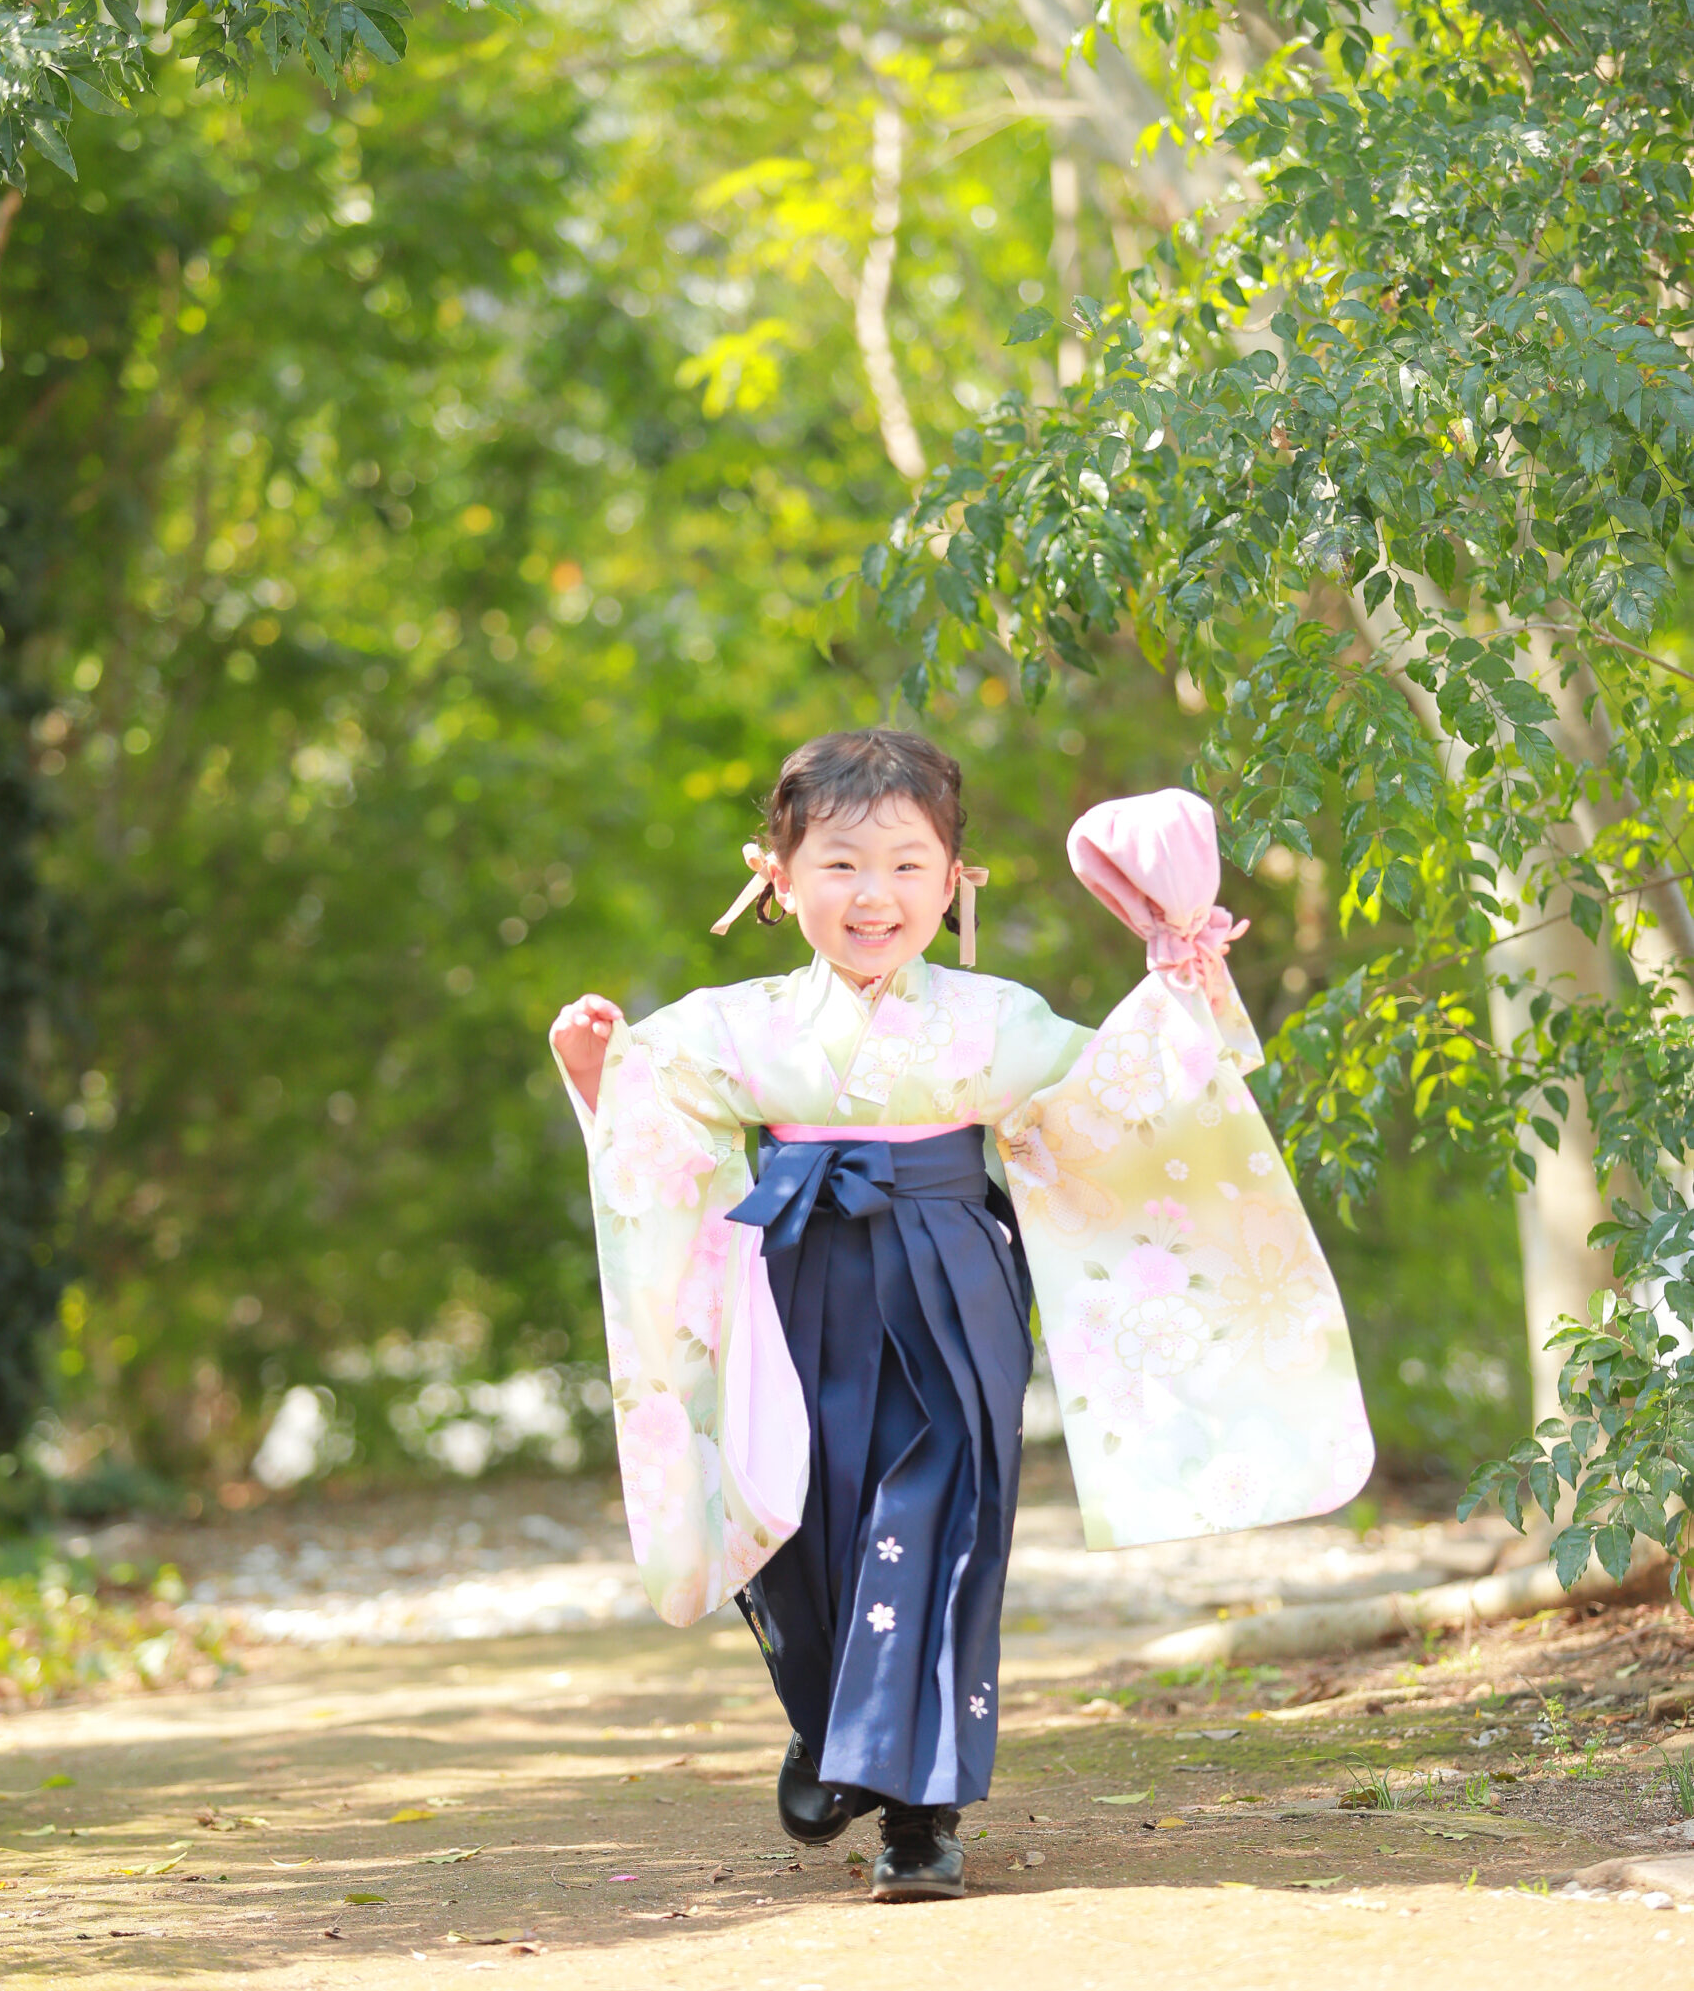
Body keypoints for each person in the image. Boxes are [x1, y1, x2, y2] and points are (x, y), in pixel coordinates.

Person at [550, 728, 1371, 1900]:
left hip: (951, 1284)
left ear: (953, 882)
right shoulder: (738, 1023)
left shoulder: (995, 1020)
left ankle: (920, 1817)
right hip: (791, 1281)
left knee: (936, 1529)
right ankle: (828, 1721)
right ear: (776, 876)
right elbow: (657, 1117)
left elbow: (1119, 1103)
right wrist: (600, 1074)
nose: (872, 895)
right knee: (792, 1519)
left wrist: (1182, 986)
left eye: (904, 864)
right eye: (839, 864)